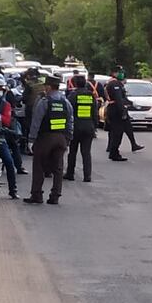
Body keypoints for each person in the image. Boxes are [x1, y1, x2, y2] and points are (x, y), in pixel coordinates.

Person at [24, 75, 73, 205]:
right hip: (61, 138)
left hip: (45, 138)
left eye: (45, 86)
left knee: (39, 165)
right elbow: (70, 122)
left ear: (49, 87)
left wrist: (31, 139)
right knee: (58, 168)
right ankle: (55, 196)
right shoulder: (65, 102)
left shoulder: (44, 102)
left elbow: (36, 122)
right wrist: (68, 138)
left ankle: (37, 195)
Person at [64, 75, 98, 183]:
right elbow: (95, 112)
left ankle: (70, 174)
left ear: (74, 84)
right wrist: (94, 126)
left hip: (76, 127)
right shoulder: (91, 95)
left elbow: (68, 112)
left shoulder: (73, 95)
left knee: (72, 151)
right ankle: (87, 176)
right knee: (86, 152)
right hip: (88, 126)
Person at [105, 66, 134, 161]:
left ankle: (114, 152)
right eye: (119, 72)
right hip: (115, 110)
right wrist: (123, 111)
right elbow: (118, 99)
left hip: (115, 109)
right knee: (117, 133)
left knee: (118, 132)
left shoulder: (115, 83)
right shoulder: (114, 84)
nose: (121, 74)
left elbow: (122, 98)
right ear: (114, 73)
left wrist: (130, 104)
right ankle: (114, 153)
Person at [22, 68, 45, 155]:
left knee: (29, 127)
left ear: (28, 76)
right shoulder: (42, 83)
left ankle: (29, 147)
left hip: (31, 108)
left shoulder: (29, 84)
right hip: (43, 106)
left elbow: (24, 99)